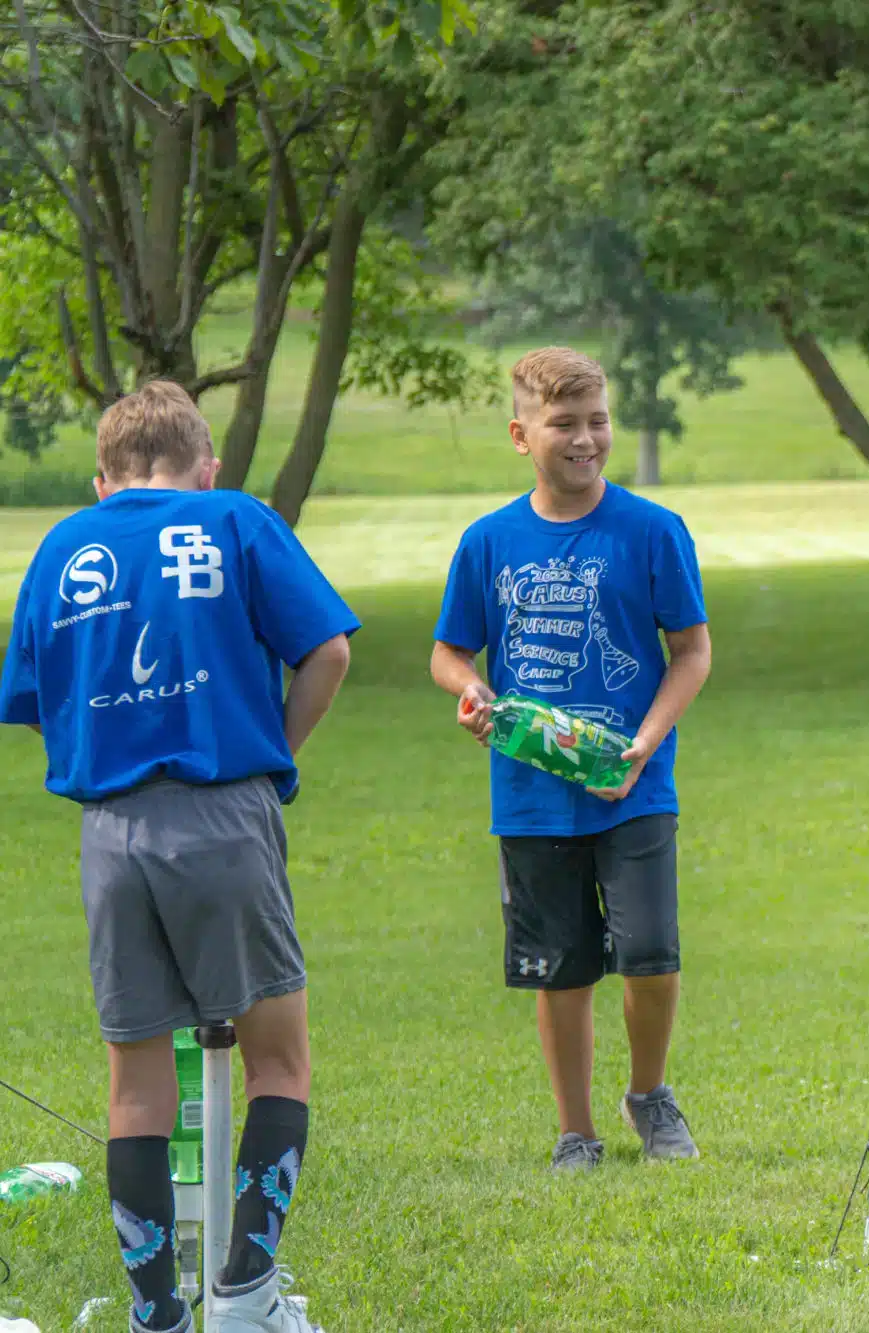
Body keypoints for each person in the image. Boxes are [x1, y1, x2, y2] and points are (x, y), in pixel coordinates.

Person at [0, 381, 356, 1332]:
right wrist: (271, 754)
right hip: (222, 813)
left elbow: (36, 699)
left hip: (109, 834)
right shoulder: (235, 519)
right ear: (208, 466)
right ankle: (244, 1294)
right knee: (279, 1060)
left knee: (136, 1083)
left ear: (102, 479)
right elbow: (328, 651)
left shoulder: (64, 545)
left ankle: (157, 1310)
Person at [430, 347, 712, 1171]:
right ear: (522, 435)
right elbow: (449, 652)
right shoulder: (489, 543)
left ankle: (650, 1096)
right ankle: (576, 1130)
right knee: (559, 968)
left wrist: (645, 743)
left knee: (652, 953)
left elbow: (691, 652)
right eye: (564, 424)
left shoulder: (653, 531)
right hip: (532, 792)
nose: (585, 439)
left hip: (633, 784)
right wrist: (472, 691)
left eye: (598, 421)